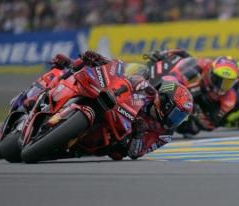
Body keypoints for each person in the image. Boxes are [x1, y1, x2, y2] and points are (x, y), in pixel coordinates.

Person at [24, 51, 193, 160]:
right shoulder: (148, 91)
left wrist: (137, 135)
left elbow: (135, 154)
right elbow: (126, 77)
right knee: (84, 67)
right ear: (163, 101)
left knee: (117, 153)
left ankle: (69, 143)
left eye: (180, 117)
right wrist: (103, 62)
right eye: (175, 113)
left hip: (114, 138)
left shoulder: (164, 135)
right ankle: (48, 90)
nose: (175, 120)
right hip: (111, 106)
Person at [147, 49, 239, 138]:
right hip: (188, 88)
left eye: (228, 83)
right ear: (211, 72)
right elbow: (184, 55)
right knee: (164, 63)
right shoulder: (206, 64)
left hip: (196, 109)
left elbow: (212, 125)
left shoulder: (229, 99)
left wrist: (198, 114)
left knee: (192, 130)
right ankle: (147, 85)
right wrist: (165, 55)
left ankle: (162, 125)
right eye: (219, 80)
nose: (221, 86)